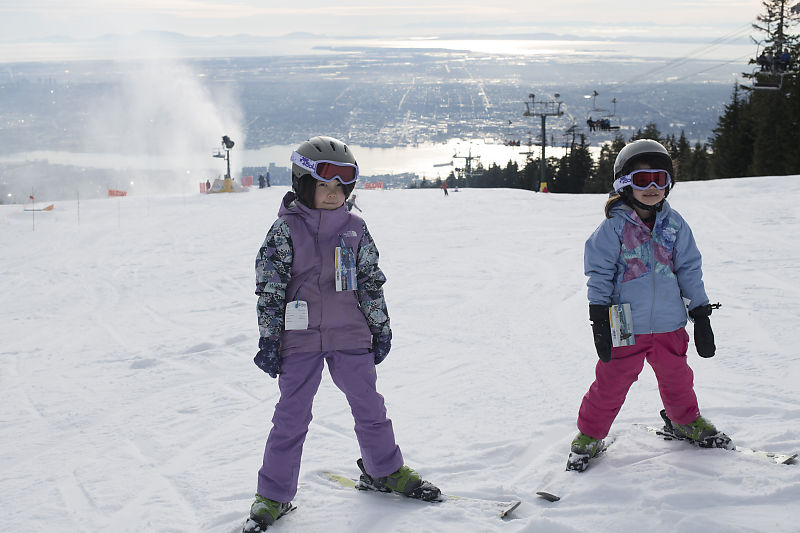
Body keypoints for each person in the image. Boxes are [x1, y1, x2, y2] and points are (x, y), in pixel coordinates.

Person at [243, 136, 440, 532]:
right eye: (323, 186)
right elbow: (270, 287)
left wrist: (379, 328)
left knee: (370, 406)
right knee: (291, 417)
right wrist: (269, 338)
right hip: (299, 340)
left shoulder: (355, 229)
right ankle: (273, 494)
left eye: (340, 187)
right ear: (303, 184)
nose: (333, 195)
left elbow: (370, 281)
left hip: (350, 335)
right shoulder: (285, 231)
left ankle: (384, 469)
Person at [567, 139, 728, 472]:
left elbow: (690, 269)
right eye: (642, 180)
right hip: (624, 321)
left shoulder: (675, 225)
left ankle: (684, 421)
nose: (653, 187)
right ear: (624, 183)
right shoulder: (612, 228)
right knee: (612, 381)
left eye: (660, 178)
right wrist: (598, 317)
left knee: (677, 378)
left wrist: (700, 313)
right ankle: (589, 434)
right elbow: (599, 274)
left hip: (670, 321)